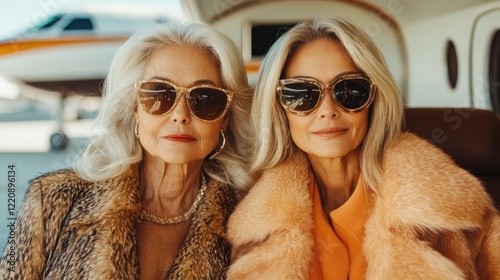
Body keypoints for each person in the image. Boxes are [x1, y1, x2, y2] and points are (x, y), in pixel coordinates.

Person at [227, 17, 500, 279]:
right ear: (279, 109)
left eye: (350, 90)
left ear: (374, 99)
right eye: (301, 95)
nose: (328, 110)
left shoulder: (454, 211)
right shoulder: (251, 227)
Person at [0, 19, 254, 279]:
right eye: (158, 94)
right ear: (134, 108)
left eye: (205, 98)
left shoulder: (251, 224)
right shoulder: (51, 203)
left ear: (225, 117)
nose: (180, 114)